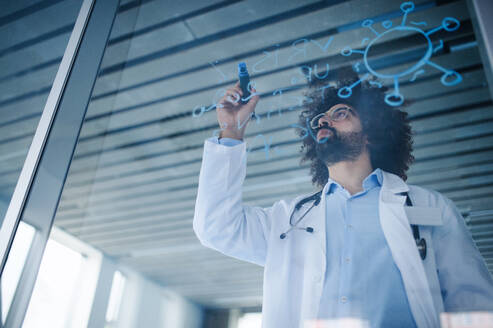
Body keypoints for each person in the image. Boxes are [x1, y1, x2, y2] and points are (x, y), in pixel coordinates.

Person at [192, 69, 493, 328]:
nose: (324, 122)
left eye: (340, 114)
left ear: (371, 134)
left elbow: (474, 303)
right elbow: (216, 227)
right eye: (320, 120)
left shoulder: (429, 208)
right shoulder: (287, 220)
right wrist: (231, 130)